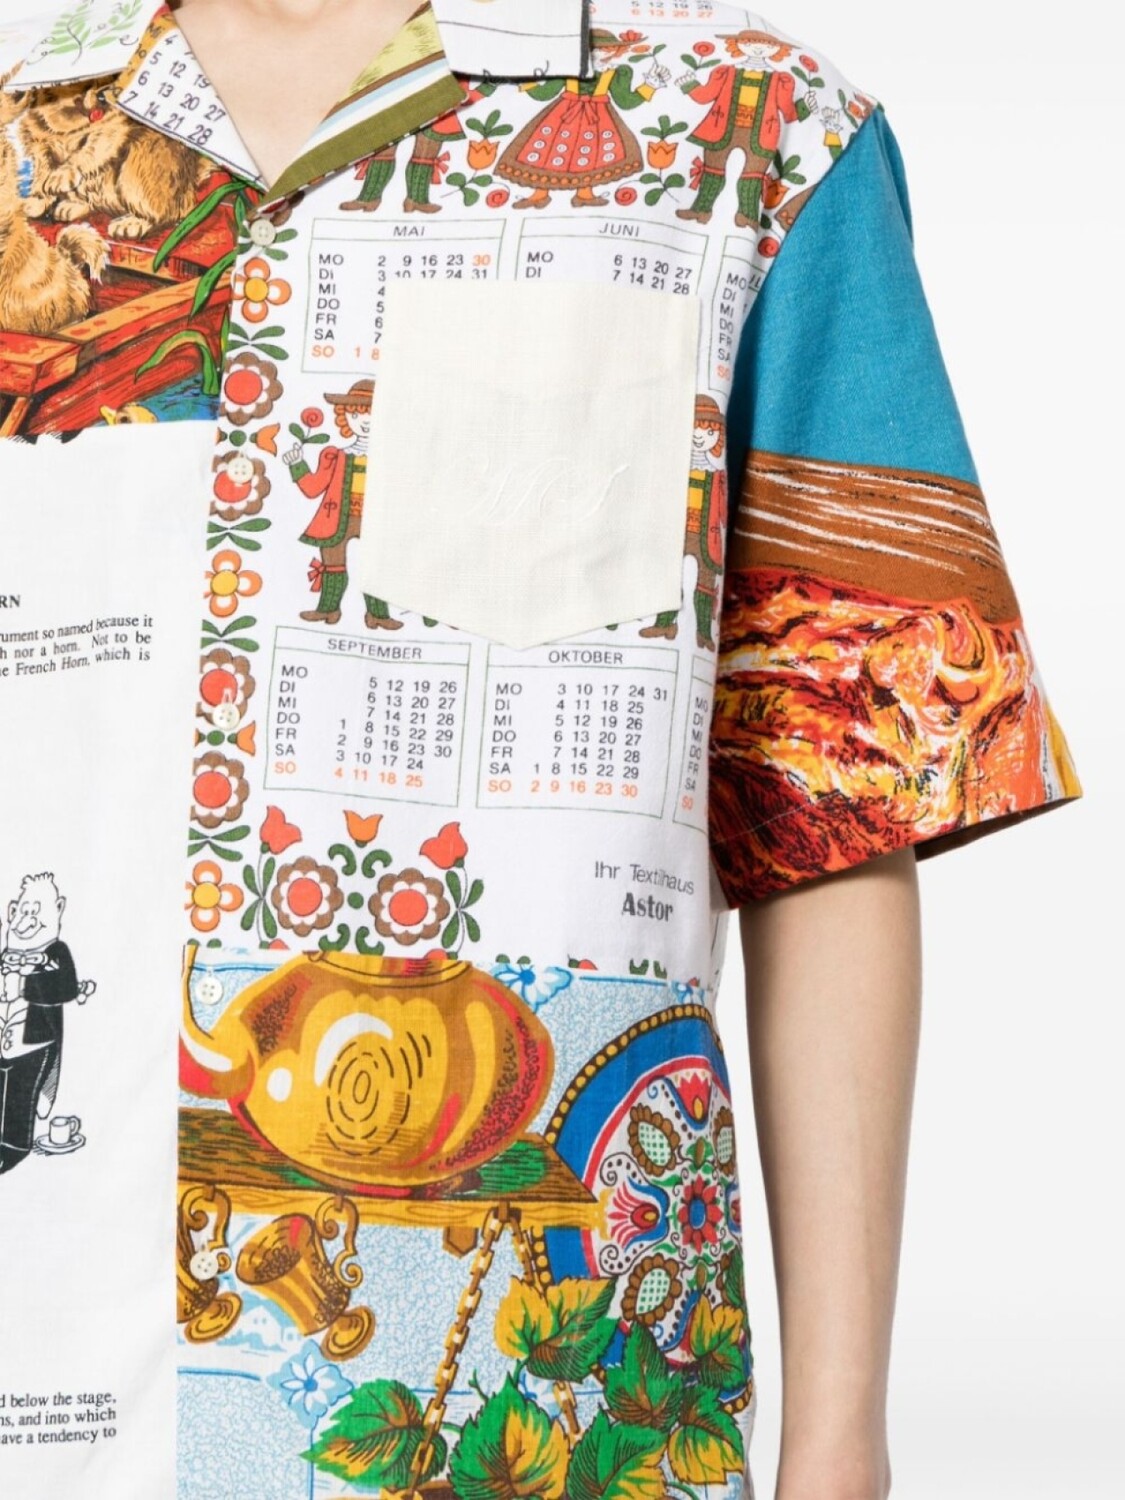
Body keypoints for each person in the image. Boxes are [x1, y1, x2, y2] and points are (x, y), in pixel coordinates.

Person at [0, 4, 1082, 1500]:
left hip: (541, 1419)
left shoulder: (754, 140)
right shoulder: (19, 142)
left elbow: (833, 817)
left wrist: (839, 1451)